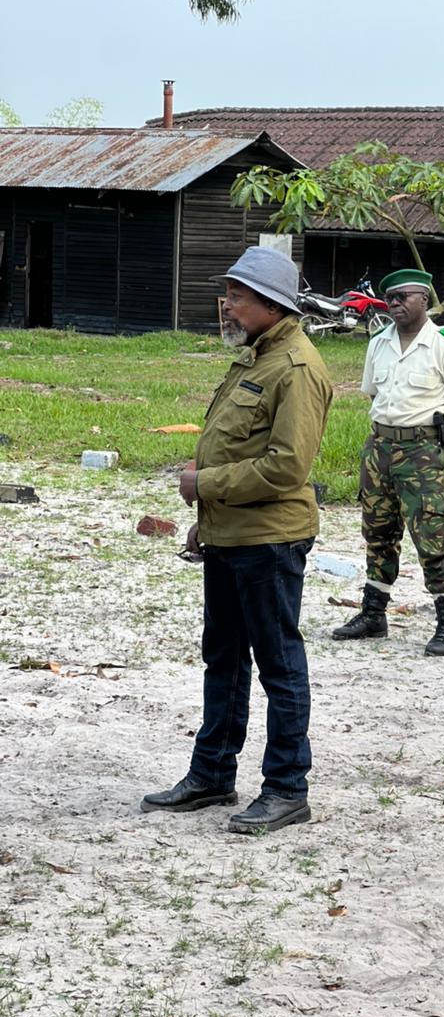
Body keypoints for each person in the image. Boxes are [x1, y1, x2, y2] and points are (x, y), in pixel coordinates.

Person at [141, 246, 332, 832]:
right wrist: (210, 520)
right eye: (229, 293)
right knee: (222, 658)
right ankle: (212, 775)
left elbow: (284, 468)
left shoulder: (296, 368)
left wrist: (204, 485)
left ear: (272, 304)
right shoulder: (256, 357)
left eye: (238, 296)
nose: (227, 305)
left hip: (271, 542)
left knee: (278, 666)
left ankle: (286, 788)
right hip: (232, 536)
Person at [332, 268, 444, 656]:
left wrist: (436, 446)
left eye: (403, 297)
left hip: (421, 453)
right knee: (377, 531)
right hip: (379, 448)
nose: (394, 304)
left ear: (424, 300)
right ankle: (373, 613)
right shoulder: (378, 343)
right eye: (390, 298)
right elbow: (373, 394)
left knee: (433, 533)